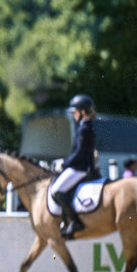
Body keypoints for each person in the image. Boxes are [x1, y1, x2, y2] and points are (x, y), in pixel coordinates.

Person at [51, 94, 97, 239]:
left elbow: (79, 153)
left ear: (83, 112)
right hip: (79, 166)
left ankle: (75, 222)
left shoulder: (84, 129)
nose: (73, 114)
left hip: (80, 168)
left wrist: (64, 163)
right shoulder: (84, 126)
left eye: (75, 111)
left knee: (57, 190)